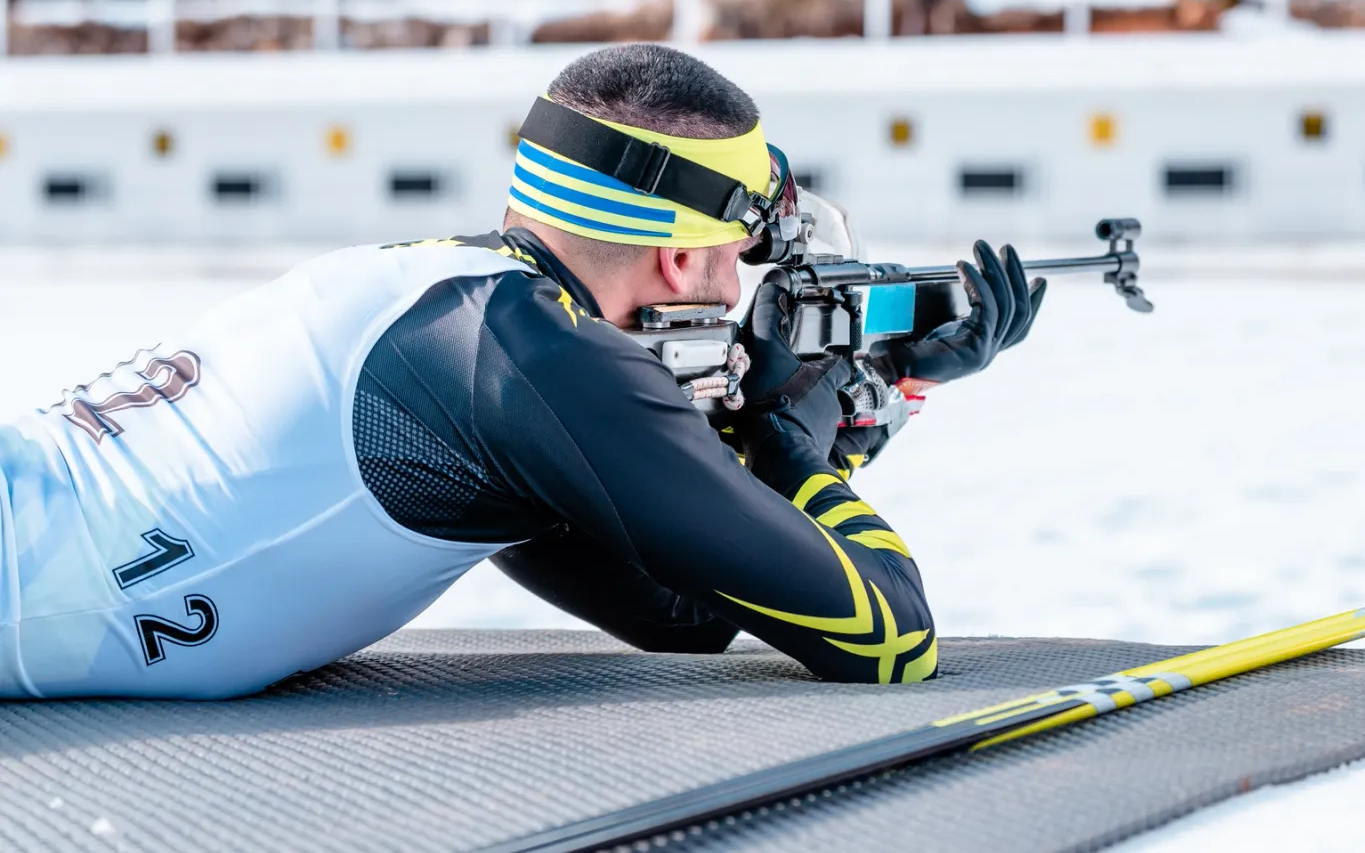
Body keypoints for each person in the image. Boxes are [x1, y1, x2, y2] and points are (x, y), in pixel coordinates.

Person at [0, 43, 1044, 699]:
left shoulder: (459, 308)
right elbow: (888, 639)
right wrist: (782, 430)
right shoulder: (546, 358)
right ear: (682, 255)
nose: (737, 288)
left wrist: (871, 403)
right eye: (741, 255)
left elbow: (681, 611)